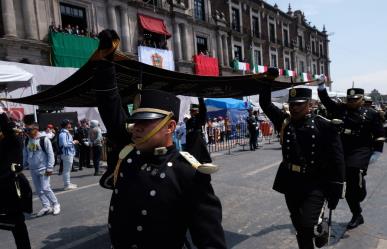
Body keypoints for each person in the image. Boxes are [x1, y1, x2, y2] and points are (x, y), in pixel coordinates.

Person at [91, 29, 226, 249]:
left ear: (170, 127)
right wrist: (106, 62)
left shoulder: (188, 173)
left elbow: (211, 242)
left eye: (146, 122)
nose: (136, 128)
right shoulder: (131, 154)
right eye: (136, 121)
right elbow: (110, 107)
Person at [259, 86, 346, 249]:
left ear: (309, 104)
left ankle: (321, 226)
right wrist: (267, 81)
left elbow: (337, 159)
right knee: (299, 225)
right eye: (292, 104)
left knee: (307, 224)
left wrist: (337, 188)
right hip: (291, 181)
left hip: (315, 183)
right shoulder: (285, 122)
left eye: (299, 104)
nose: (294, 107)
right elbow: (265, 103)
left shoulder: (323, 125)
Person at [318, 83, 385, 229]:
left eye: (355, 99)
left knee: (352, 171)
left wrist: (377, 151)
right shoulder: (341, 109)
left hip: (361, 149)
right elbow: (326, 102)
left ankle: (360, 186)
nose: (352, 102)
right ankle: (357, 214)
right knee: (344, 185)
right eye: (349, 99)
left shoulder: (372, 114)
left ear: (362, 99)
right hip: (342, 149)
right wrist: (321, 88)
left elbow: (380, 134)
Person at [0, 113, 32, 249]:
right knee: (18, 224)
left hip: (11, 187)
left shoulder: (12, 141)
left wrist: (3, 120)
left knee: (17, 224)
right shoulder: (10, 141)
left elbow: (9, 133)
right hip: (10, 187)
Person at [23, 122, 61, 216]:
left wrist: (50, 168)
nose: (27, 132)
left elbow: (51, 154)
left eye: (29, 130)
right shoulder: (27, 140)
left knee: (45, 188)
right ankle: (46, 206)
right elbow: (25, 154)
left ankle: (56, 204)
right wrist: (23, 165)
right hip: (33, 169)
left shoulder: (44, 139)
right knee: (39, 190)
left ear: (36, 130)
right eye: (26, 131)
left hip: (43, 168)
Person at [186, 99, 212, 163]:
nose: (191, 112)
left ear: (197, 111)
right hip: (191, 141)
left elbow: (203, 109)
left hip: (198, 139)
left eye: (193, 111)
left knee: (201, 159)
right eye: (191, 111)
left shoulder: (200, 118)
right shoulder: (189, 121)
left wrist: (200, 99)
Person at [58, 119, 79, 190]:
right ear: (66, 125)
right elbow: (64, 144)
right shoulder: (63, 134)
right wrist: (73, 142)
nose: (70, 125)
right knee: (66, 170)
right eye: (69, 123)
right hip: (67, 154)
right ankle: (67, 185)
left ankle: (68, 183)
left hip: (68, 153)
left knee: (67, 169)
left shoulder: (65, 133)